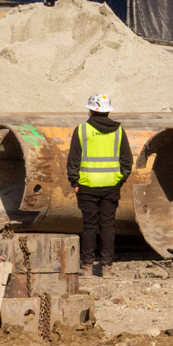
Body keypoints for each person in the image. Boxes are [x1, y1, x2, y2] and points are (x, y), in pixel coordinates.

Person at [66, 93, 132, 278]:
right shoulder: (119, 131)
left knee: (89, 226)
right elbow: (127, 161)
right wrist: (119, 180)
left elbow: (73, 159)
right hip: (111, 186)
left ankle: (87, 266)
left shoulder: (82, 130)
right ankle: (107, 267)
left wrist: (74, 182)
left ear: (91, 110)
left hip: (86, 186)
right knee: (108, 226)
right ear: (107, 111)